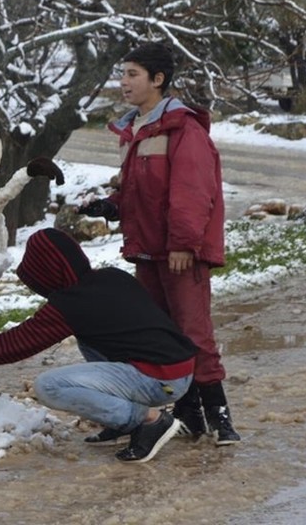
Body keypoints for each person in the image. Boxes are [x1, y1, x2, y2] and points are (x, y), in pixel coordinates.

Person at [0, 228, 197, 464]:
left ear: (50, 271)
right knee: (92, 338)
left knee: (49, 386)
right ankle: (123, 423)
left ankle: (148, 420)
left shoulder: (75, 303)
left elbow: (18, 343)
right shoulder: (110, 277)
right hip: (178, 367)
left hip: (160, 377)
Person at [80, 42, 240, 445]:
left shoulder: (184, 130)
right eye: (123, 73)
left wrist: (185, 244)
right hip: (148, 252)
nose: (123, 82)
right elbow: (144, 192)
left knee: (193, 332)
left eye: (132, 74)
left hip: (180, 253)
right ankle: (186, 415)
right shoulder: (135, 129)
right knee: (160, 336)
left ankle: (220, 418)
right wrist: (112, 205)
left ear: (158, 79)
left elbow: (191, 192)